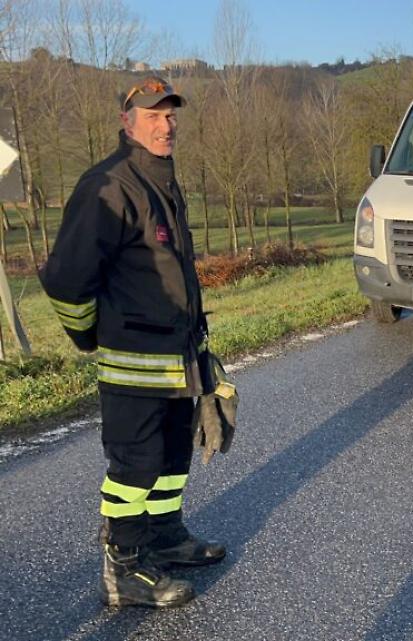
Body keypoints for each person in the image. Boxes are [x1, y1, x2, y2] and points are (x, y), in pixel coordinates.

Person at [39, 76, 233, 609]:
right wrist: (86, 335)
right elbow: (64, 279)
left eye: (171, 115)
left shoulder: (160, 179)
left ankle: (164, 538)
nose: (165, 125)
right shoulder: (108, 185)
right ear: (128, 123)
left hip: (178, 355)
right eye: (152, 116)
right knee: (135, 465)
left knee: (173, 454)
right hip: (134, 361)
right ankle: (124, 567)